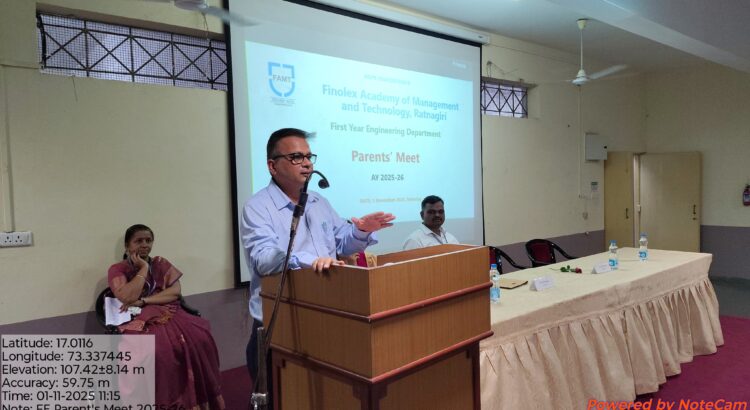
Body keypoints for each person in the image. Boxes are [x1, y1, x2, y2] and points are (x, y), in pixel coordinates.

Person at [241, 127, 395, 384]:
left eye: (309, 156)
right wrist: (308, 261)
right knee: (279, 397)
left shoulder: (318, 202)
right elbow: (264, 259)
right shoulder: (258, 207)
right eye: (296, 157)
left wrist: (361, 230)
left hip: (325, 317)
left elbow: (342, 243)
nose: (307, 163)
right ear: (272, 166)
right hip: (278, 326)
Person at [108, 224, 225, 409]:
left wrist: (145, 301)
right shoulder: (118, 269)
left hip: (168, 311)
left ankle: (197, 398)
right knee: (159, 352)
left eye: (148, 240)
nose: (144, 245)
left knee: (201, 339)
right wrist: (143, 268)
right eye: (138, 241)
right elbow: (128, 297)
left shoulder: (161, 263)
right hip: (135, 319)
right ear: (127, 245)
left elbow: (175, 292)